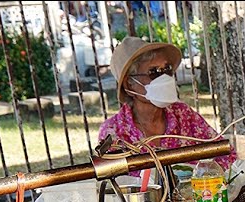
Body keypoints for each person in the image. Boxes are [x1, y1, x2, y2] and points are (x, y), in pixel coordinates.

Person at [98, 37, 236, 168]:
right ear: (130, 84)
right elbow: (111, 183)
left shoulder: (183, 114)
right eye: (154, 71)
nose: (164, 77)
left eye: (167, 69)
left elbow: (226, 155)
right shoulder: (114, 131)